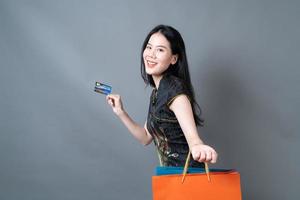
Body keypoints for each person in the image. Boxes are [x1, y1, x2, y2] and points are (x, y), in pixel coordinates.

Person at [106, 25, 217, 167]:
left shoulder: (174, 91)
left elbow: (193, 139)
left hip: (187, 176)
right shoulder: (157, 93)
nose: (151, 54)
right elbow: (145, 137)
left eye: (160, 50)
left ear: (173, 59)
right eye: (149, 47)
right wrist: (120, 112)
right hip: (170, 176)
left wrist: (197, 145)